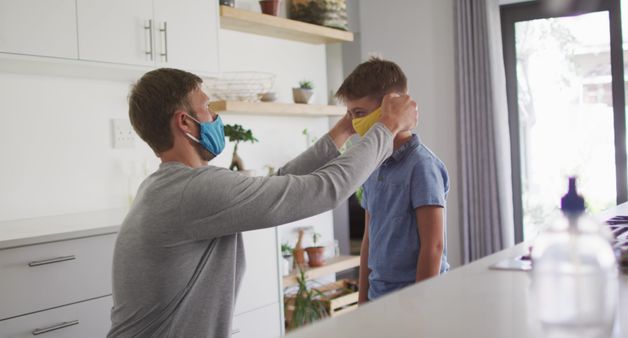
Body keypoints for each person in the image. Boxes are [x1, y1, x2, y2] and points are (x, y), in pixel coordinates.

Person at [108, 68, 418, 337]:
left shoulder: (171, 185)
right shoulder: (193, 192)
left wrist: (343, 130)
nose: (215, 118)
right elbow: (326, 190)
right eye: (207, 108)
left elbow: (276, 183)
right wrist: (387, 127)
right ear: (185, 123)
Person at [334, 57, 450, 304]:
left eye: (360, 114)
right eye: (351, 114)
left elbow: (434, 246)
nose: (355, 123)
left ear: (392, 106)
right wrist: (363, 300)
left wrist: (422, 306)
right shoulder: (371, 164)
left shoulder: (422, 166)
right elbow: (368, 238)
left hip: (415, 300)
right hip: (378, 297)